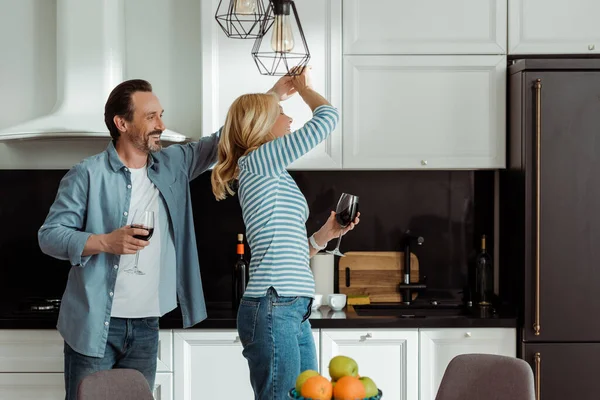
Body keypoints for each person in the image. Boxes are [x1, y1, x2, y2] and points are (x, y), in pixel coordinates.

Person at [38, 77, 295, 400]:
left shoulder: (174, 164)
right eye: (151, 117)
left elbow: (222, 139)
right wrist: (105, 242)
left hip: (146, 323)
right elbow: (49, 236)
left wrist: (270, 97)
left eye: (161, 114)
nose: (162, 124)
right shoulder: (87, 174)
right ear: (121, 123)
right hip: (93, 324)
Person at [211, 68, 360, 399]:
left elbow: (290, 250)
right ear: (261, 126)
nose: (289, 117)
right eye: (280, 113)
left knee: (309, 396)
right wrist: (304, 89)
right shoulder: (260, 161)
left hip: (292, 306)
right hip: (274, 305)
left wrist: (326, 234)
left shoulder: (269, 171)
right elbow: (327, 118)